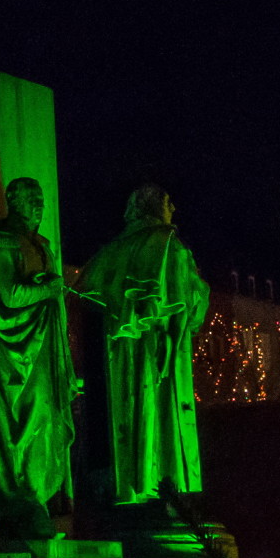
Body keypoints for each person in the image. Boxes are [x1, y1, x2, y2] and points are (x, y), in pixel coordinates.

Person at [75, 184, 209, 503]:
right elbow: (177, 308)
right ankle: (164, 486)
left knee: (131, 411)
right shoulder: (167, 245)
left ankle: (135, 484)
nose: (173, 207)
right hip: (160, 349)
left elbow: (89, 291)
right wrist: (171, 349)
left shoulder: (113, 250)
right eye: (166, 201)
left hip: (119, 353)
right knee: (163, 412)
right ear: (151, 207)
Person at [0, 177, 74, 538]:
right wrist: (49, 286)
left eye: (41, 198)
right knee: (18, 427)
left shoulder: (43, 245)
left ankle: (41, 500)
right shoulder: (0, 239)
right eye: (31, 198)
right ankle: (16, 503)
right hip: (12, 354)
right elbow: (7, 296)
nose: (39, 205)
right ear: (12, 202)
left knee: (45, 424)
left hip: (43, 350)